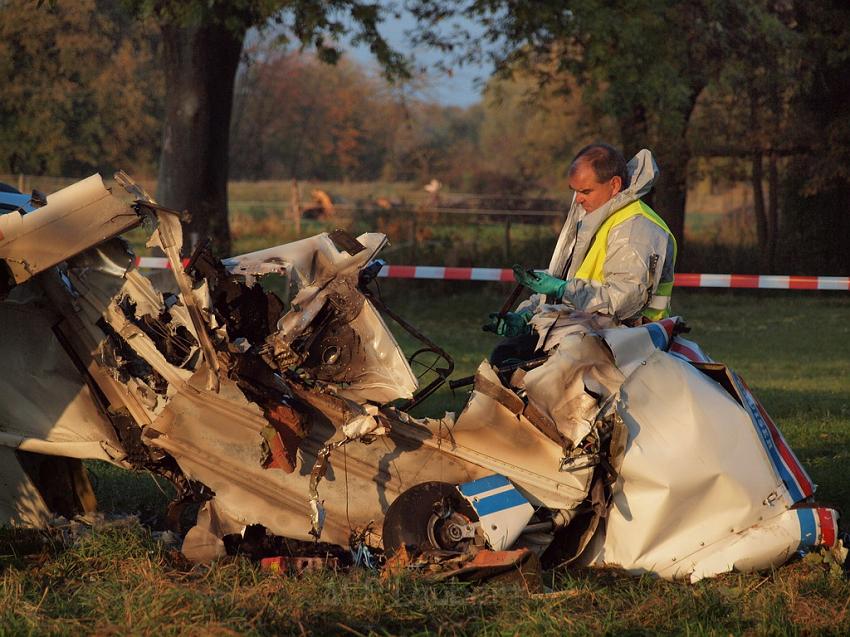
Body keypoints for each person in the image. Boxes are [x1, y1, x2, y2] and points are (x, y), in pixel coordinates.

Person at [487, 144, 677, 364]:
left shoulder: (637, 227)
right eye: (574, 191)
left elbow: (623, 302)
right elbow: (569, 282)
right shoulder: (592, 219)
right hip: (590, 331)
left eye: (585, 191)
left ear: (615, 185)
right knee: (506, 356)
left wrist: (561, 289)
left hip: (632, 339)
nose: (577, 199)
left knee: (519, 363)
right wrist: (526, 316)